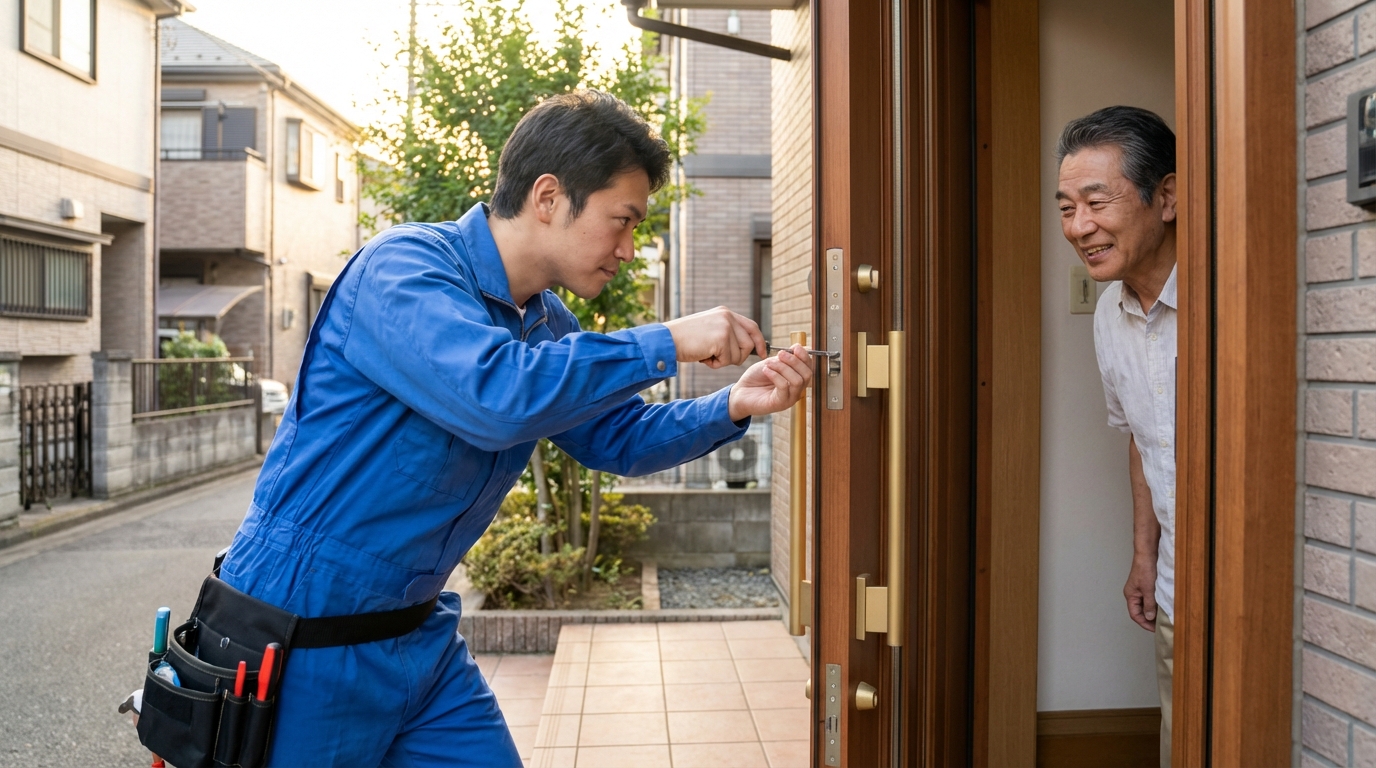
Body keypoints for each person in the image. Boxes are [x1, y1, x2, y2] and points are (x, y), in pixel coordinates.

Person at [216, 90, 813, 766]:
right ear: (549, 197)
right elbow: (496, 396)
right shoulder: (405, 268)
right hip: (302, 635)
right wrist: (669, 339)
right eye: (622, 221)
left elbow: (615, 437)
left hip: (418, 633)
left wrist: (734, 404)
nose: (628, 249)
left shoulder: (547, 320)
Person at [1055, 105, 1177, 767]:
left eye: (1097, 203)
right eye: (1067, 208)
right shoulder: (1111, 311)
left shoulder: (1233, 296)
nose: (1079, 227)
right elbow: (1141, 436)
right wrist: (1145, 555)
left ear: (1168, 197)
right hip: (1177, 582)